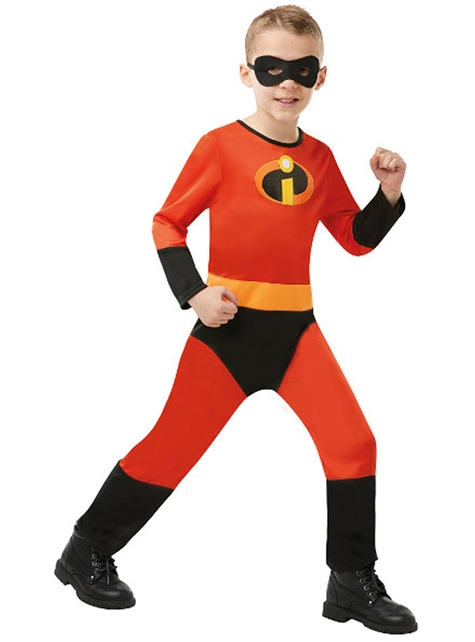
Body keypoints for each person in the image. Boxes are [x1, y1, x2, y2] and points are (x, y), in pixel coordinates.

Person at [55, 4, 417, 635]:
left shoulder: (321, 157)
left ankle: (351, 581)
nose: (287, 82)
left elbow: (354, 239)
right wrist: (194, 293)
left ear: (320, 77)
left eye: (301, 70)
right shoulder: (220, 146)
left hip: (297, 333)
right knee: (171, 447)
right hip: (228, 335)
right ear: (246, 73)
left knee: (354, 443)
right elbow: (167, 222)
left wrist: (387, 195)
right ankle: (85, 550)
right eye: (272, 68)